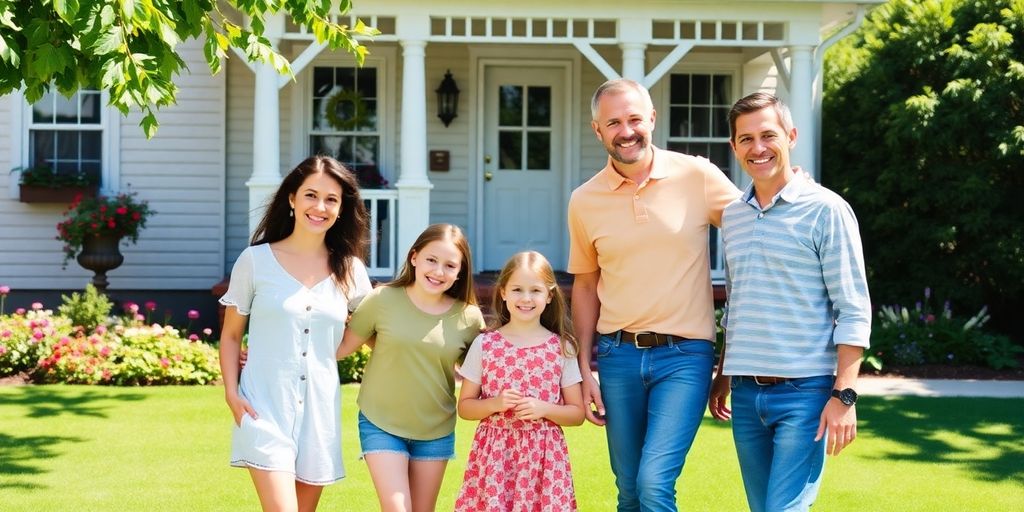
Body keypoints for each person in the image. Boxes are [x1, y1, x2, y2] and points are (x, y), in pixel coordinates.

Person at [567, 78, 741, 511]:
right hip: (617, 356)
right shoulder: (584, 200)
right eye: (614, 123)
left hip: (685, 357)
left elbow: (756, 223)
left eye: (634, 119)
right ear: (598, 130)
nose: (626, 131)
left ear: (652, 119)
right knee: (628, 488)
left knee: (654, 482)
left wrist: (791, 188)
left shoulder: (697, 175)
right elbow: (586, 285)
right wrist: (584, 368)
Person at [708, 92, 871, 512]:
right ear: (734, 147)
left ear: (791, 136)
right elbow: (740, 304)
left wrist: (845, 395)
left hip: (805, 393)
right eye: (746, 139)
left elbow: (852, 308)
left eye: (768, 135)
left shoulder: (827, 210)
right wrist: (725, 375)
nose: (757, 148)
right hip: (745, 395)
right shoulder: (733, 216)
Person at [218, 155, 372, 512]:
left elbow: (371, 331)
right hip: (263, 408)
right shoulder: (255, 261)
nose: (320, 207)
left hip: (319, 415)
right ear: (292, 198)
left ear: (341, 209)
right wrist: (230, 393)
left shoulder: (350, 270)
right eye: (311, 195)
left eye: (331, 199)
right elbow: (230, 336)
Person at [336, 223, 485, 512]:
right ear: (414, 257)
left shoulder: (469, 318)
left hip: (436, 430)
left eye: (450, 265)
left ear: (460, 272)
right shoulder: (382, 300)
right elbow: (340, 349)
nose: (438, 271)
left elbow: (483, 376)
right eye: (431, 260)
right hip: (381, 424)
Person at [454, 251, 585, 511]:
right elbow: (465, 407)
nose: (526, 298)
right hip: (495, 459)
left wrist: (544, 409)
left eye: (535, 290)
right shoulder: (486, 344)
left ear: (549, 296)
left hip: (544, 460)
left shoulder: (561, 347)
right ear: (503, 293)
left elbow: (577, 413)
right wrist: (495, 403)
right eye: (517, 289)